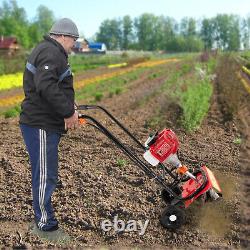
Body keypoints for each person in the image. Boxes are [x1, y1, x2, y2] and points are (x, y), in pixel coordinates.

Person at [19, 18, 79, 243]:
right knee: (45, 175)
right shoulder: (51, 53)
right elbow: (45, 86)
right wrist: (67, 112)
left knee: (45, 173)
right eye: (73, 39)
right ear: (63, 36)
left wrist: (71, 106)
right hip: (40, 124)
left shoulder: (50, 51)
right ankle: (46, 227)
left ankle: (44, 220)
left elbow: (54, 85)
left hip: (42, 123)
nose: (73, 44)